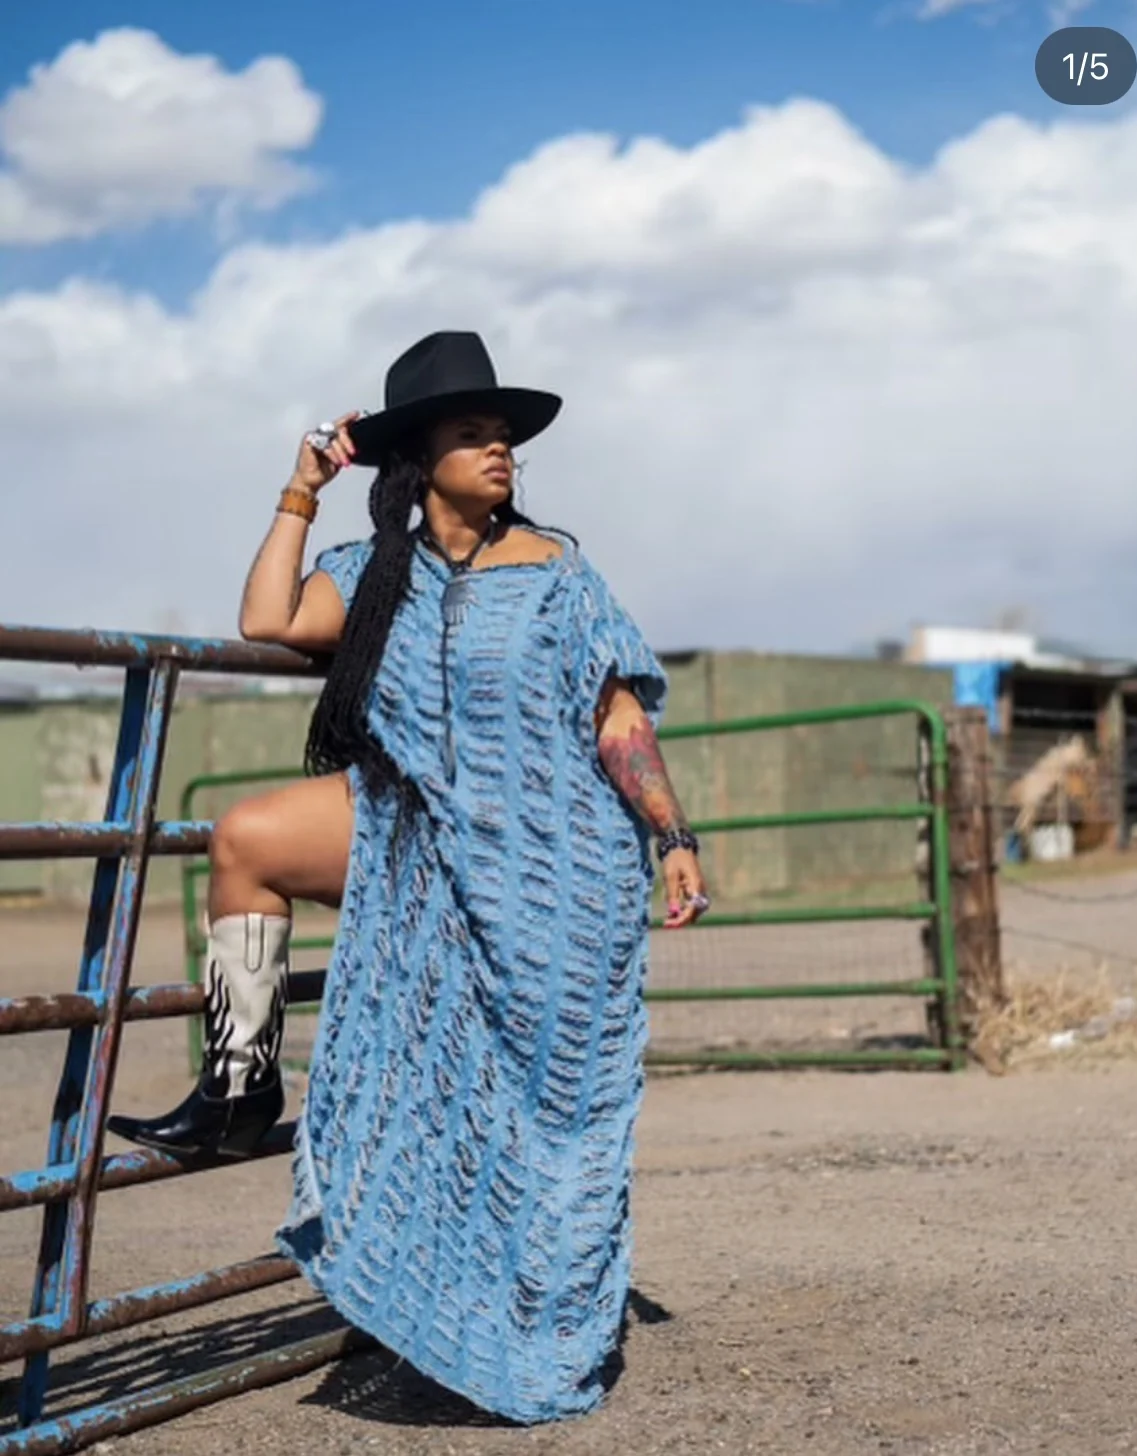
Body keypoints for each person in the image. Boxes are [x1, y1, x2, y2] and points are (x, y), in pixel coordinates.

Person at [108, 331, 709, 1423]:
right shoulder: (375, 573)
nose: (500, 453)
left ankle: (523, 1328)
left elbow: (617, 713)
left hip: (555, 864)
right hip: (417, 837)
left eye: (506, 439)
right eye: (473, 435)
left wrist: (670, 833)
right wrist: (300, 486)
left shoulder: (560, 572)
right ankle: (241, 1085)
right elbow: (266, 618)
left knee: (536, 1114)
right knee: (243, 836)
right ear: (416, 457)